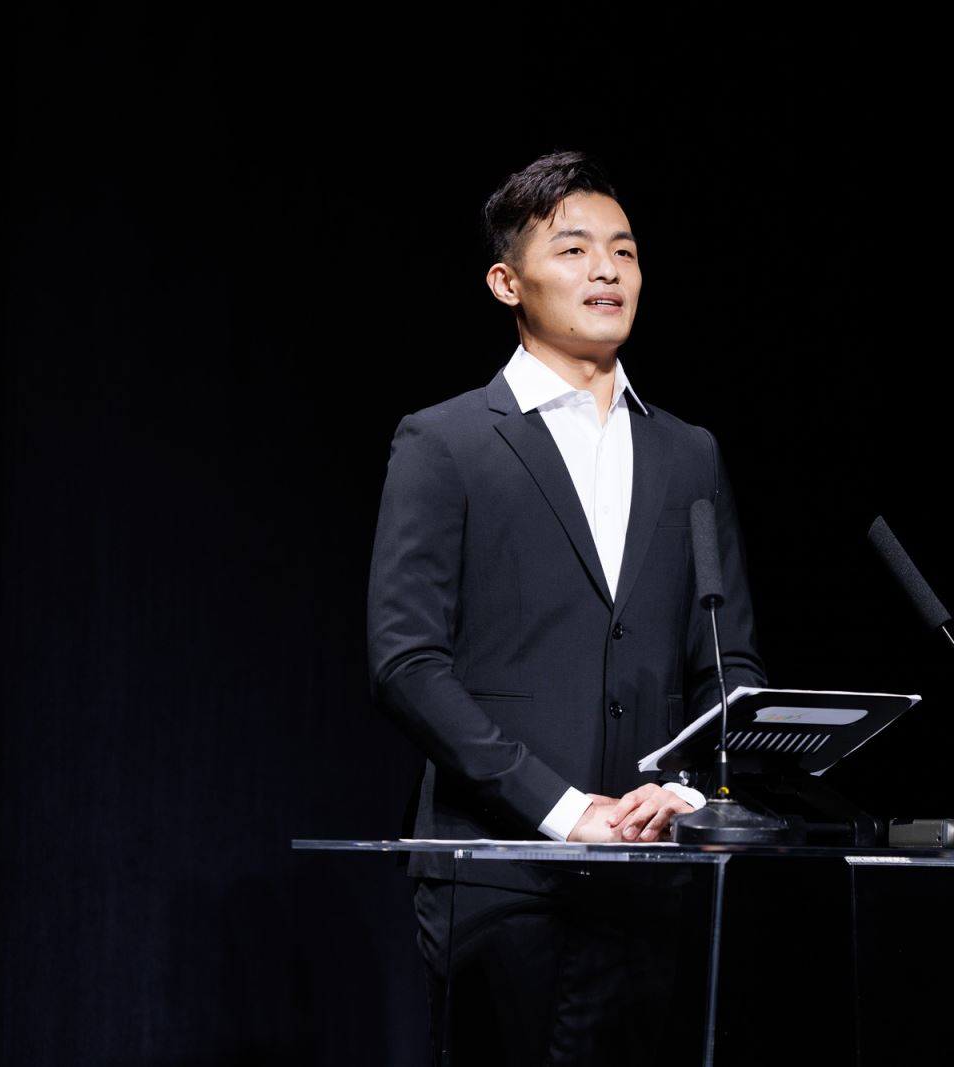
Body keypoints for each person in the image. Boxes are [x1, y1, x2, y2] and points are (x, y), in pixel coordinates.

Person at [365, 149, 767, 1064]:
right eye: (575, 249)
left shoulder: (690, 453)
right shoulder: (445, 442)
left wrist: (685, 790)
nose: (606, 270)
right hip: (501, 872)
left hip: (655, 871)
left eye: (624, 251)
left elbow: (728, 659)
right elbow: (405, 664)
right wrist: (561, 807)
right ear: (507, 282)